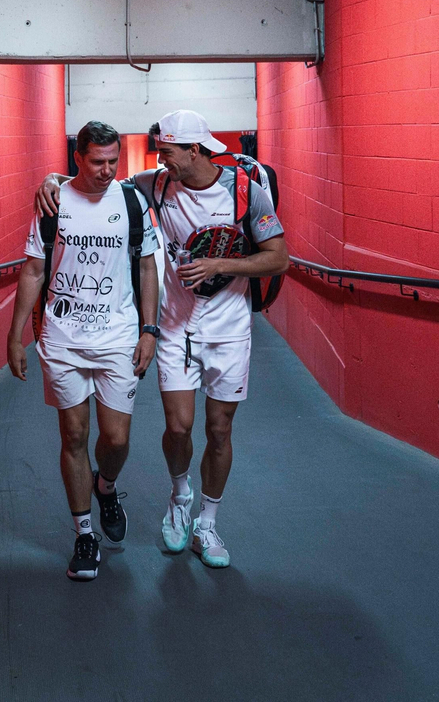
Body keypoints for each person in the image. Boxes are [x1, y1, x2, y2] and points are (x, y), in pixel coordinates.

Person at [36, 110, 288, 569]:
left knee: (219, 429)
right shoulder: (158, 183)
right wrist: (52, 177)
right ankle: (179, 498)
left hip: (229, 329)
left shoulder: (246, 191)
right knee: (177, 427)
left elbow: (279, 258)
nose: (160, 159)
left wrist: (220, 265)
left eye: (168, 152)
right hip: (175, 327)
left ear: (195, 150)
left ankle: (207, 523)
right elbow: (97, 177)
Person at [5, 121, 160, 580]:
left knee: (116, 439)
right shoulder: (53, 204)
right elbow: (34, 271)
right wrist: (16, 336)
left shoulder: (132, 201)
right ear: (78, 157)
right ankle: (84, 534)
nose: (107, 170)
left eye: (113, 161)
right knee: (73, 437)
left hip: (118, 336)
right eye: (98, 161)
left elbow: (148, 267)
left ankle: (106, 485)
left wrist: (149, 329)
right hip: (63, 338)